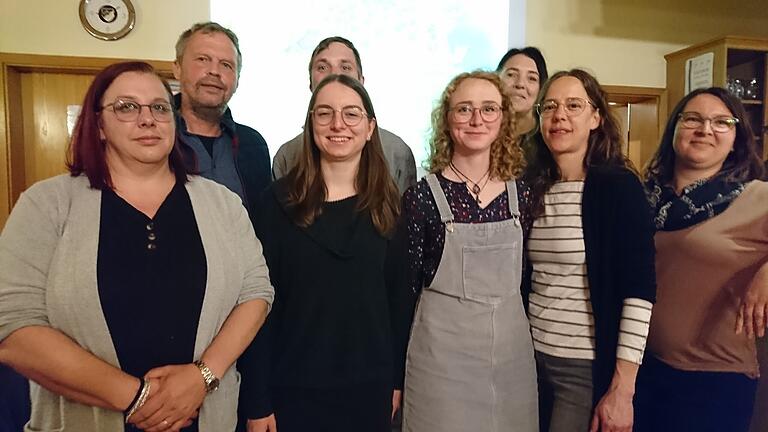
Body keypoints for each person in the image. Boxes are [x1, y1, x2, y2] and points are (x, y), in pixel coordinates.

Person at [0, 61, 274, 432]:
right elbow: (14, 326)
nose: (147, 119)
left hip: (204, 416)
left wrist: (202, 376)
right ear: (98, 124)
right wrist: (137, 398)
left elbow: (256, 292)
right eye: (127, 107)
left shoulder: (221, 203)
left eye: (159, 107)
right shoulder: (47, 204)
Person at [239, 74, 414, 432]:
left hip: (369, 389)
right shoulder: (274, 205)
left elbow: (399, 306)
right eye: (325, 114)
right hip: (292, 389)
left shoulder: (392, 208)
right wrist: (258, 399)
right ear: (310, 124)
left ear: (370, 128)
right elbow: (257, 308)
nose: (338, 124)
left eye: (351, 114)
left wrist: (396, 381)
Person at [401, 71, 537, 432]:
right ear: (447, 119)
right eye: (464, 109)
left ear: (504, 118)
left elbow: (528, 282)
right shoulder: (422, 197)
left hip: (511, 364)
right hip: (441, 366)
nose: (477, 120)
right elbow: (403, 291)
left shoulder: (522, 196)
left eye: (488, 109)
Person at [521, 69, 656, 432]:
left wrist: (623, 387)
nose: (559, 115)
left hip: (581, 367)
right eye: (549, 106)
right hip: (526, 359)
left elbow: (639, 291)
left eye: (573, 105)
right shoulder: (532, 186)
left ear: (596, 117)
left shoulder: (618, 187)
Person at [635, 87, 767, 432]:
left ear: (737, 137)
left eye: (721, 122)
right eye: (692, 118)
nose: (705, 129)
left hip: (715, 379)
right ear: (675, 128)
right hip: (642, 368)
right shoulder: (643, 196)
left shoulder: (759, 197)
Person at [271, 36, 417, 195]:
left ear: (361, 81)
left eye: (345, 67)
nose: (334, 74)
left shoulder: (397, 152)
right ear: (311, 83)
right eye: (322, 67)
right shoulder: (286, 156)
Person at [173, 22, 271, 218]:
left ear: (237, 80)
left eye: (226, 65)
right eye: (202, 59)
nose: (214, 71)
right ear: (177, 69)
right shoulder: (153, 138)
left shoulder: (253, 144)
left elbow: (266, 221)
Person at [497, 46, 549, 139]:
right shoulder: (483, 130)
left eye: (532, 78)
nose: (520, 84)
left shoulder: (548, 137)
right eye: (511, 75)